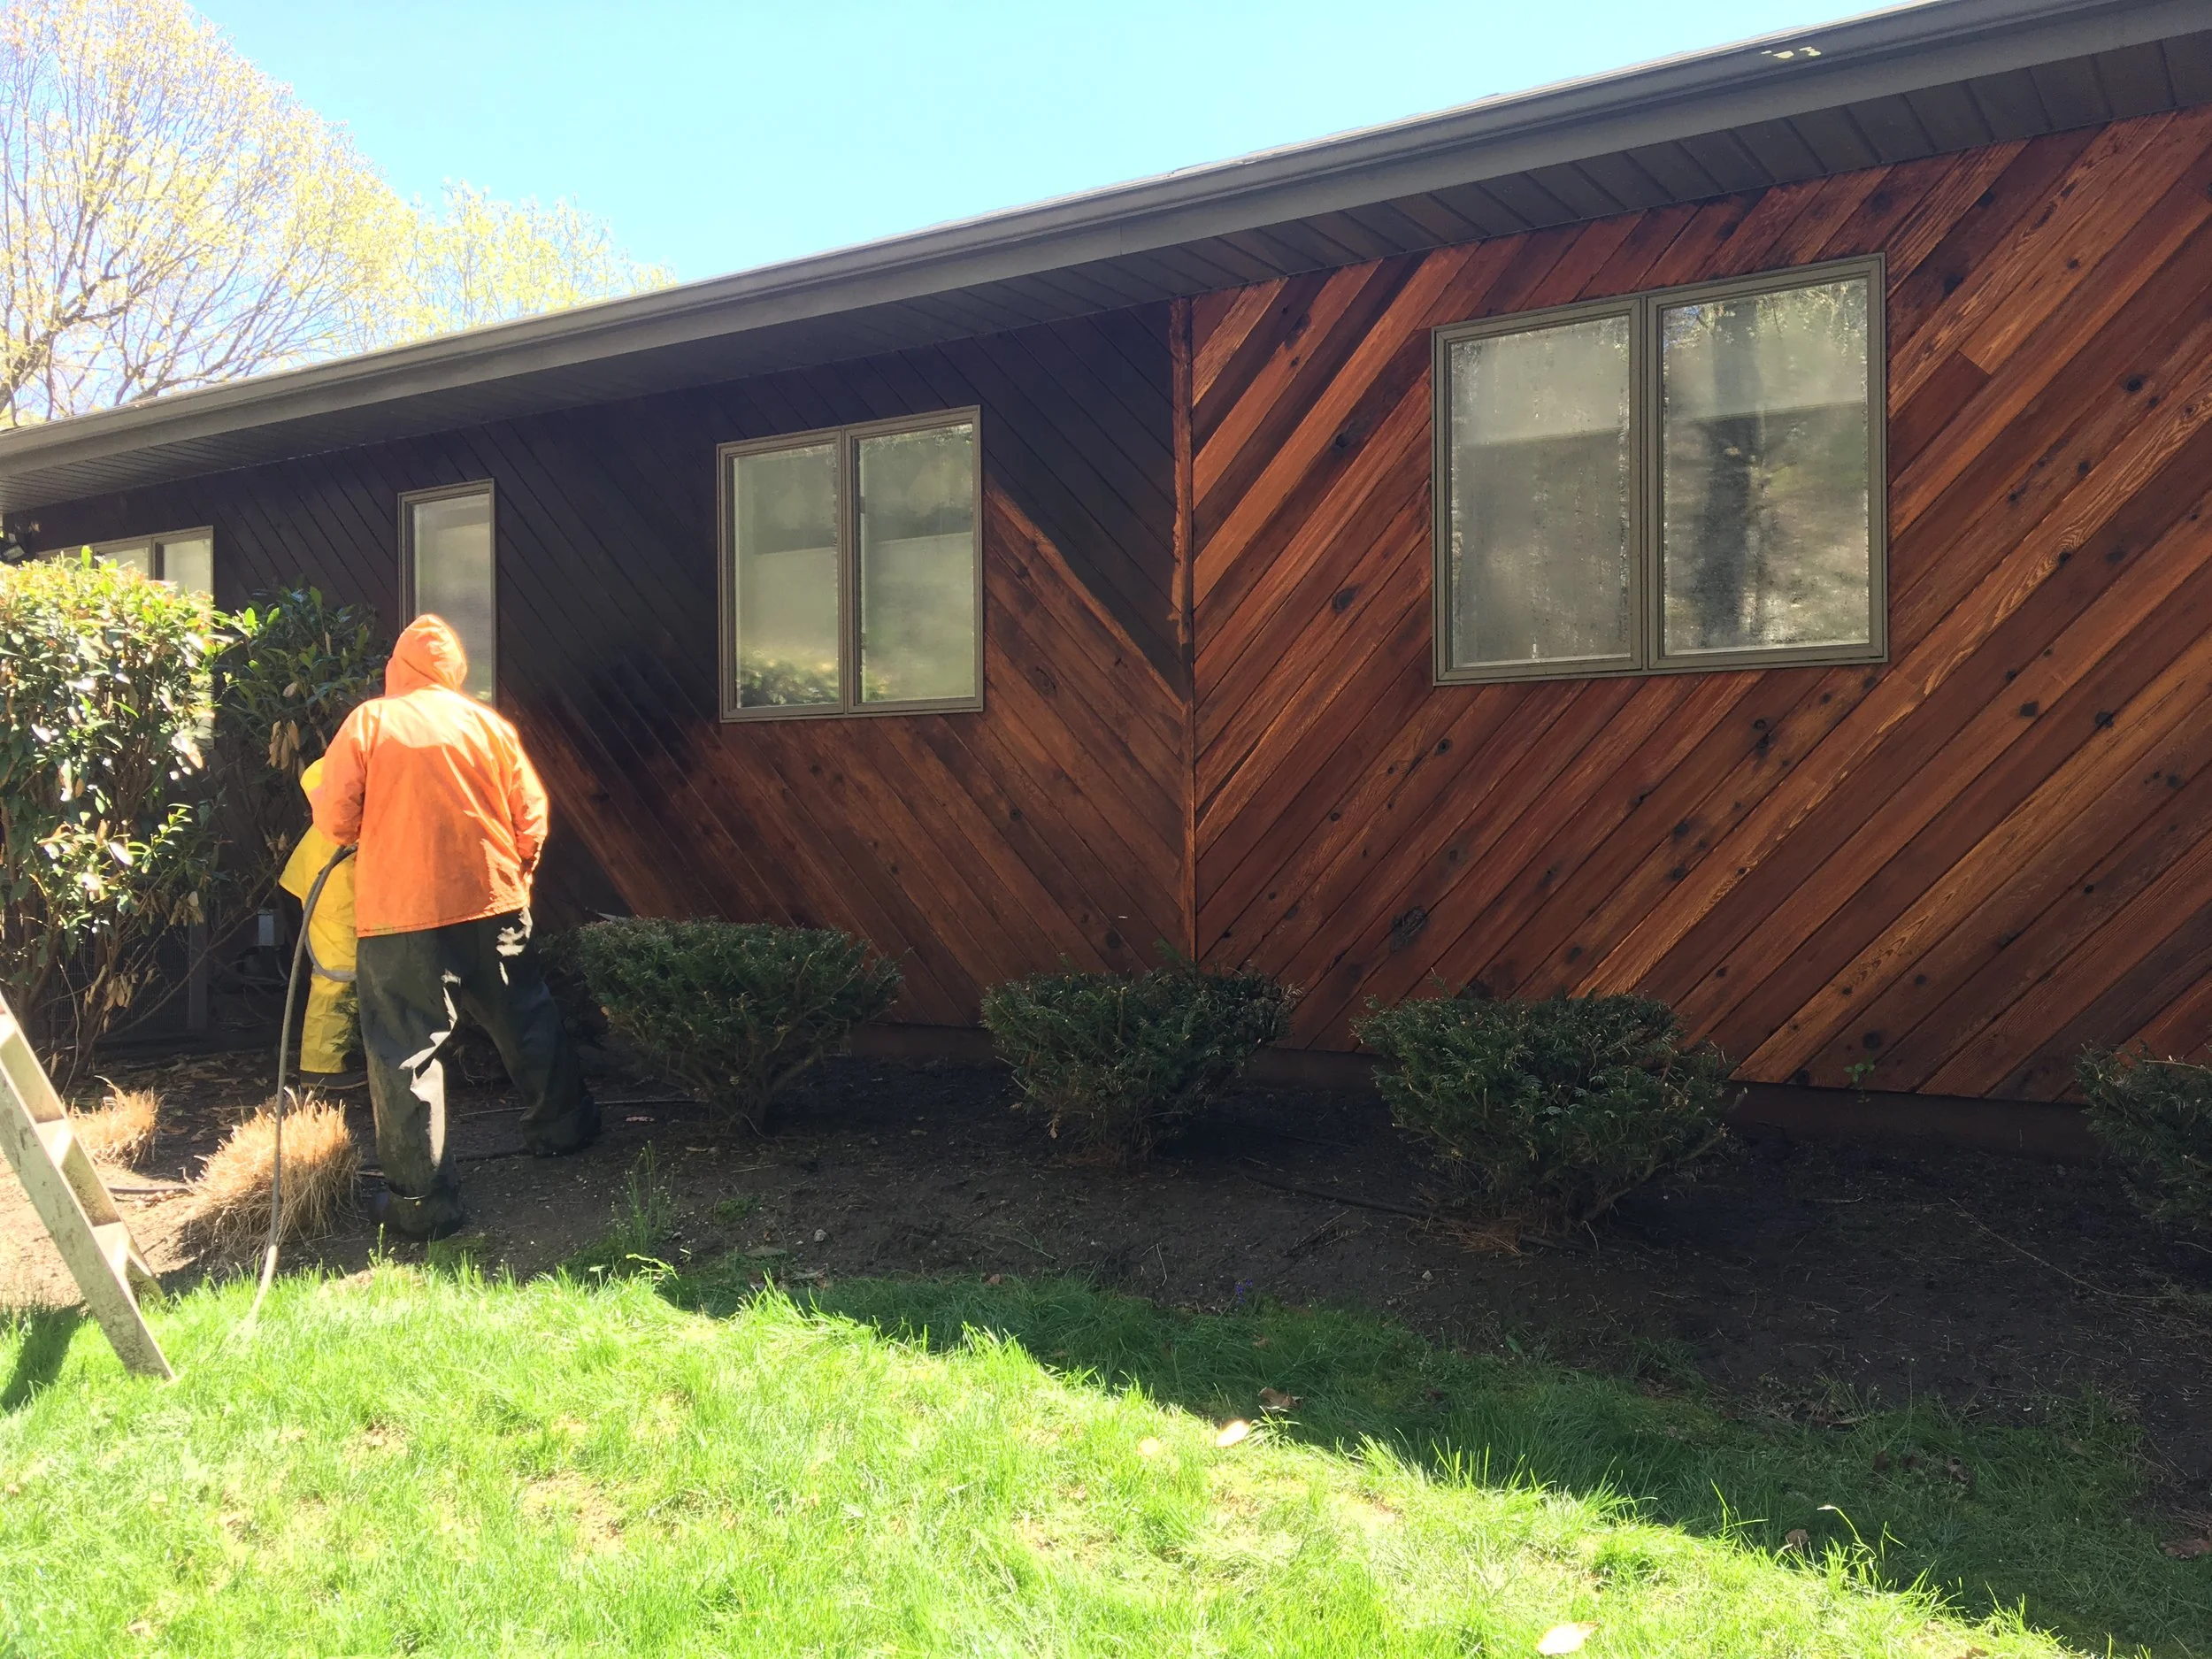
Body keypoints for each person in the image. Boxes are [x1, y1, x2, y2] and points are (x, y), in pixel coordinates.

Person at [312, 614, 597, 1240]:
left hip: (400, 914)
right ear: (454, 668)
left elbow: (335, 816)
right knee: (527, 1017)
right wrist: (515, 875)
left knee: (406, 1050)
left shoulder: (370, 722)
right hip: (493, 901)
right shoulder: (488, 726)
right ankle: (564, 1130)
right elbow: (532, 816)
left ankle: (422, 1202)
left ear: (398, 666)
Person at [276, 757, 359, 1080]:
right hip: (331, 882)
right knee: (338, 974)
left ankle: (339, 1057)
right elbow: (319, 777)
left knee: (351, 973)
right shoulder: (371, 755)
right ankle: (321, 1068)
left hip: (341, 880)